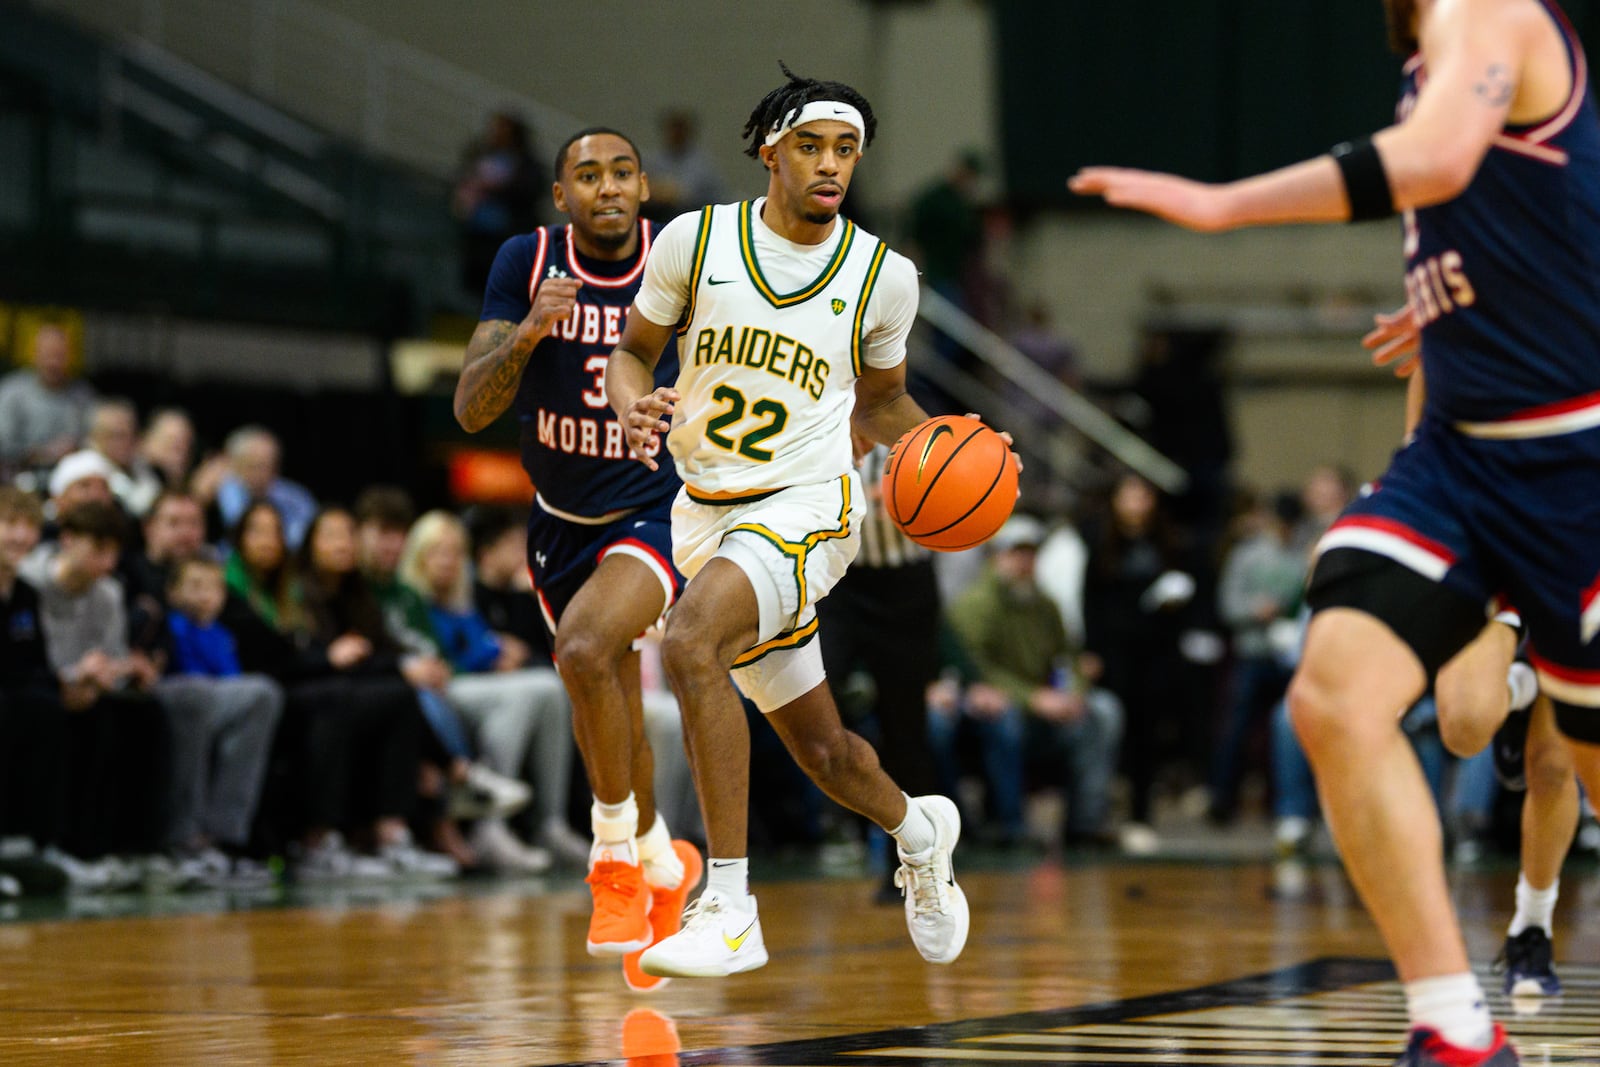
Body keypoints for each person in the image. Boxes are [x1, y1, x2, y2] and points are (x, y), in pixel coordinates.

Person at [1072, 1, 1600, 1061]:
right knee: (1332, 692)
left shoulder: (1489, 10)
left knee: (1577, 759)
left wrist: (1223, 206)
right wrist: (1477, 296)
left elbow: (1441, 156)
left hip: (1575, 455)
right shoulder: (1433, 49)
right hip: (1457, 452)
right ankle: (1454, 1023)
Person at [606, 63, 997, 978]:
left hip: (810, 510)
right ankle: (919, 829)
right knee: (827, 752)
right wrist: (631, 401)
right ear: (768, 151)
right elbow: (633, 353)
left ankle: (730, 905)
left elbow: (890, 402)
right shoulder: (694, 243)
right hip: (703, 511)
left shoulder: (883, 276)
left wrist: (963, 443)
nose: (831, 165)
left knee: (692, 641)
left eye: (847, 150)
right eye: (813, 146)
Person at [455, 124, 701, 991]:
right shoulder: (526, 260)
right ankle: (661, 860)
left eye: (622, 173)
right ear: (561, 196)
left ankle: (610, 860)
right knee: (610, 700)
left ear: (644, 187)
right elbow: (470, 410)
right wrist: (530, 333)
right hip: (559, 518)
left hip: (657, 505)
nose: (607, 187)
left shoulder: (678, 261)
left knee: (587, 648)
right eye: (587, 175)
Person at [943, 514, 1124, 850]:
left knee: (1105, 710)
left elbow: (1068, 657)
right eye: (1016, 553)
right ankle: (1011, 825)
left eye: (1031, 553)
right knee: (1004, 719)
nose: (1025, 562)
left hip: (1046, 706)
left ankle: (1085, 823)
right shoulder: (975, 605)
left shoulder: (1045, 605)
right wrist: (1033, 698)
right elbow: (977, 670)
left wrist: (1072, 691)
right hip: (998, 705)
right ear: (997, 556)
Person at [160, 552, 284, 886]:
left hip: (212, 705)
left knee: (263, 693)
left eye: (213, 587)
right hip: (177, 703)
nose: (204, 595)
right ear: (172, 592)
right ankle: (185, 839)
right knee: (199, 695)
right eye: (194, 585)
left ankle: (224, 837)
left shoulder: (222, 635)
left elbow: (232, 679)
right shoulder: (172, 626)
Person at [454, 111, 543, 295]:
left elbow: (531, 191)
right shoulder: (479, 154)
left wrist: (498, 189)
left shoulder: (526, 164)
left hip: (506, 233)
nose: (496, 133)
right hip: (476, 231)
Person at [0, 324, 94, 480]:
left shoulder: (83, 395)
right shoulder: (11, 392)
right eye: (48, 354)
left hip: (69, 479)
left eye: (59, 355)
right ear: (35, 355)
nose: (53, 362)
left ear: (70, 356)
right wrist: (40, 452)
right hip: (18, 477)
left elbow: (95, 439)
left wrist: (75, 447)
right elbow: (3, 443)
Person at [212, 426, 318, 551]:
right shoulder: (219, 493)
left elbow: (311, 536)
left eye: (268, 466)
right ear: (234, 466)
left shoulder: (295, 498)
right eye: (253, 466)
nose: (261, 474)